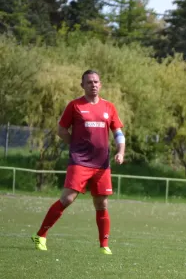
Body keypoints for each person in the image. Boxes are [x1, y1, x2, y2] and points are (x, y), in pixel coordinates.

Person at [31, 70, 125, 255]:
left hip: (101, 164)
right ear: (82, 85)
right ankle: (40, 235)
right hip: (79, 161)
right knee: (67, 199)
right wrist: (74, 145)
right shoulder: (74, 106)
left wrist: (120, 152)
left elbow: (118, 133)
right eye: (89, 82)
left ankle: (104, 245)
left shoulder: (109, 107)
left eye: (96, 81)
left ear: (101, 84)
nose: (94, 85)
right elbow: (61, 130)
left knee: (101, 204)